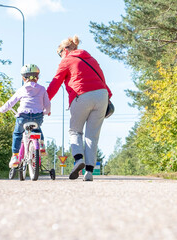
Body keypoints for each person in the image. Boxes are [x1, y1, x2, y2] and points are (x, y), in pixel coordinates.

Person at [47, 35, 112, 181]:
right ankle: (89, 172)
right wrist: (109, 97)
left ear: (64, 50)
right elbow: (101, 79)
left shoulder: (67, 60)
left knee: (75, 131)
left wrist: (43, 101)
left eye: (60, 54)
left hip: (81, 95)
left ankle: (78, 159)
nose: (60, 57)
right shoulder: (91, 59)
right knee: (92, 136)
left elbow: (55, 83)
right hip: (102, 96)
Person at [0, 64, 51, 168]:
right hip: (37, 117)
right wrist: (47, 111)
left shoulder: (22, 89)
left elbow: (10, 103)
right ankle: (42, 145)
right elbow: (47, 104)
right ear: (37, 77)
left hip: (23, 117)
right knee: (37, 129)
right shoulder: (42, 89)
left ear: (23, 78)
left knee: (17, 133)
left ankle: (15, 156)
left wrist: (1, 109)